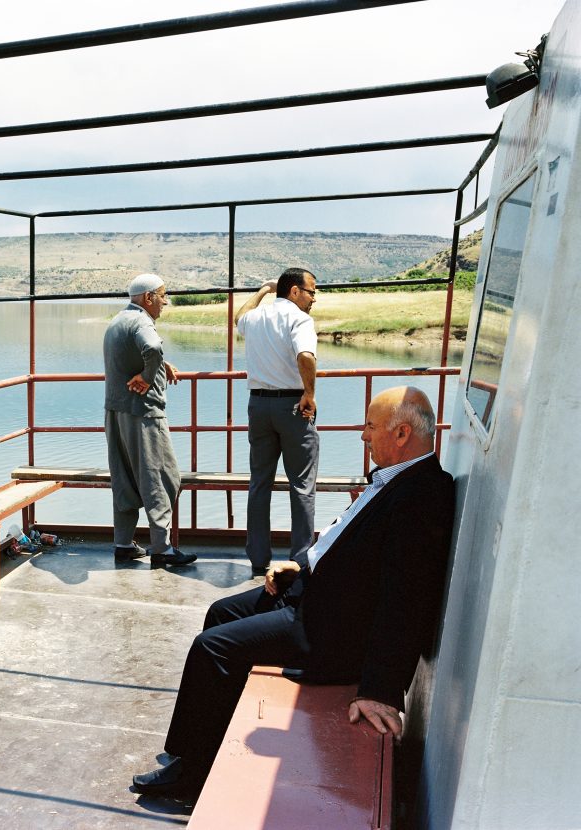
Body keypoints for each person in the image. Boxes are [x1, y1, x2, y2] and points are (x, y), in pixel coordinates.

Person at [131, 386, 455, 802]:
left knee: (212, 648)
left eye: (371, 427)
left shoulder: (422, 495)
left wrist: (380, 689)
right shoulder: (399, 480)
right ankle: (190, 749)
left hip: (329, 628)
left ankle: (191, 779)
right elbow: (341, 539)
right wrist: (299, 564)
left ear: (402, 433)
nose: (363, 436)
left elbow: (406, 599)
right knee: (219, 613)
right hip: (309, 590)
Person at [103, 273, 196, 567]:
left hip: (115, 412)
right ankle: (162, 549)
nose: (165, 302)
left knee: (124, 479)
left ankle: (123, 544)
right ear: (148, 298)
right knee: (162, 477)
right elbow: (151, 347)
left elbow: (138, 352)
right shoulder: (143, 321)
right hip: (143, 414)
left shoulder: (117, 320)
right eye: (163, 296)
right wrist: (147, 374)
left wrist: (158, 365)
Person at [234, 267, 319, 576]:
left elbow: (238, 318)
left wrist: (262, 290)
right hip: (293, 406)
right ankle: (300, 560)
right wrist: (309, 393)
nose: (313, 299)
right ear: (294, 292)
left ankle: (258, 558)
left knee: (259, 483)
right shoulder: (300, 319)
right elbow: (306, 356)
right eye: (311, 291)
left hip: (258, 405)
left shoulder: (256, 317)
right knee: (301, 486)